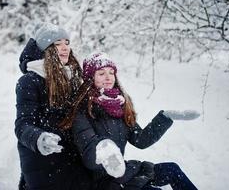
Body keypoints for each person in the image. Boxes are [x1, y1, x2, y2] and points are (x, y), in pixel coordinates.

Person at [60, 52, 199, 190]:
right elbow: (90, 157)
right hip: (102, 181)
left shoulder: (118, 106)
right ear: (91, 78)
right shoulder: (82, 110)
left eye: (111, 72)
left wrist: (164, 118)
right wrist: (107, 152)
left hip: (124, 172)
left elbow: (140, 140)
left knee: (172, 170)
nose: (108, 77)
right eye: (101, 73)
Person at [15, 23, 92, 190]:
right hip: (43, 162)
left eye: (67, 43)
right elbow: (22, 125)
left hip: (73, 159)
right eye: (57, 44)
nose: (65, 48)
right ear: (46, 50)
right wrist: (39, 138)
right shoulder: (30, 81)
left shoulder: (72, 78)